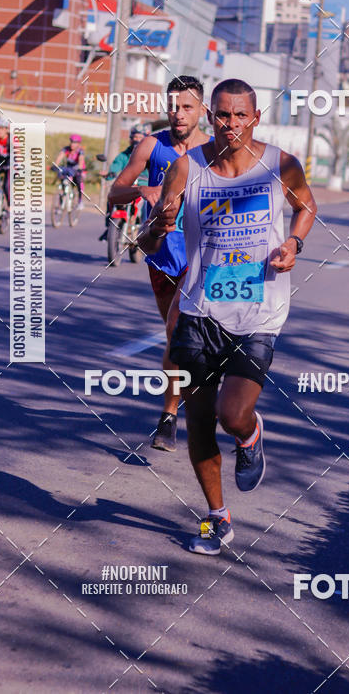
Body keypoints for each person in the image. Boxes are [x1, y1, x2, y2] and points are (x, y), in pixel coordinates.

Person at [139, 78, 317, 555]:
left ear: (255, 118)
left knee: (232, 414)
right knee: (198, 423)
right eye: (222, 114)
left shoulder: (279, 164)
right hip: (200, 310)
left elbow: (306, 207)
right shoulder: (186, 169)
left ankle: (250, 433)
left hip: (259, 312)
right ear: (210, 117)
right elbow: (147, 245)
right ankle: (217, 519)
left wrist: (293, 243)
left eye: (240, 115)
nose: (231, 124)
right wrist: (158, 225)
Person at [109, 76, 211, 452]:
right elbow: (114, 193)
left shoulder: (213, 151)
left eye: (187, 107)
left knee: (177, 327)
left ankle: (168, 419)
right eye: (173, 106)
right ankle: (188, 401)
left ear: (201, 109)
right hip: (161, 256)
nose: (178, 113)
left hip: (202, 257)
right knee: (176, 340)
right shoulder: (152, 146)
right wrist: (142, 189)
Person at [98, 125, 148, 242]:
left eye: (140, 137)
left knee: (148, 205)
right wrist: (110, 173)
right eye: (135, 137)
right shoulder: (123, 155)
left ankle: (146, 230)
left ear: (145, 139)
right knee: (112, 197)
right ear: (130, 138)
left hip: (143, 187)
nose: (137, 140)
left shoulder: (150, 155)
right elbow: (116, 166)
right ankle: (109, 227)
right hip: (126, 186)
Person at [54, 134, 86, 207]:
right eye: (71, 142)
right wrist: (55, 165)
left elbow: (81, 160)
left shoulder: (80, 151)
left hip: (79, 169)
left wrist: (80, 168)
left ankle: (80, 201)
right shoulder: (66, 149)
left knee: (79, 182)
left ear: (78, 144)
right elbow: (60, 157)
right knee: (63, 179)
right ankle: (61, 203)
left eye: (75, 142)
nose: (72, 144)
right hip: (69, 169)